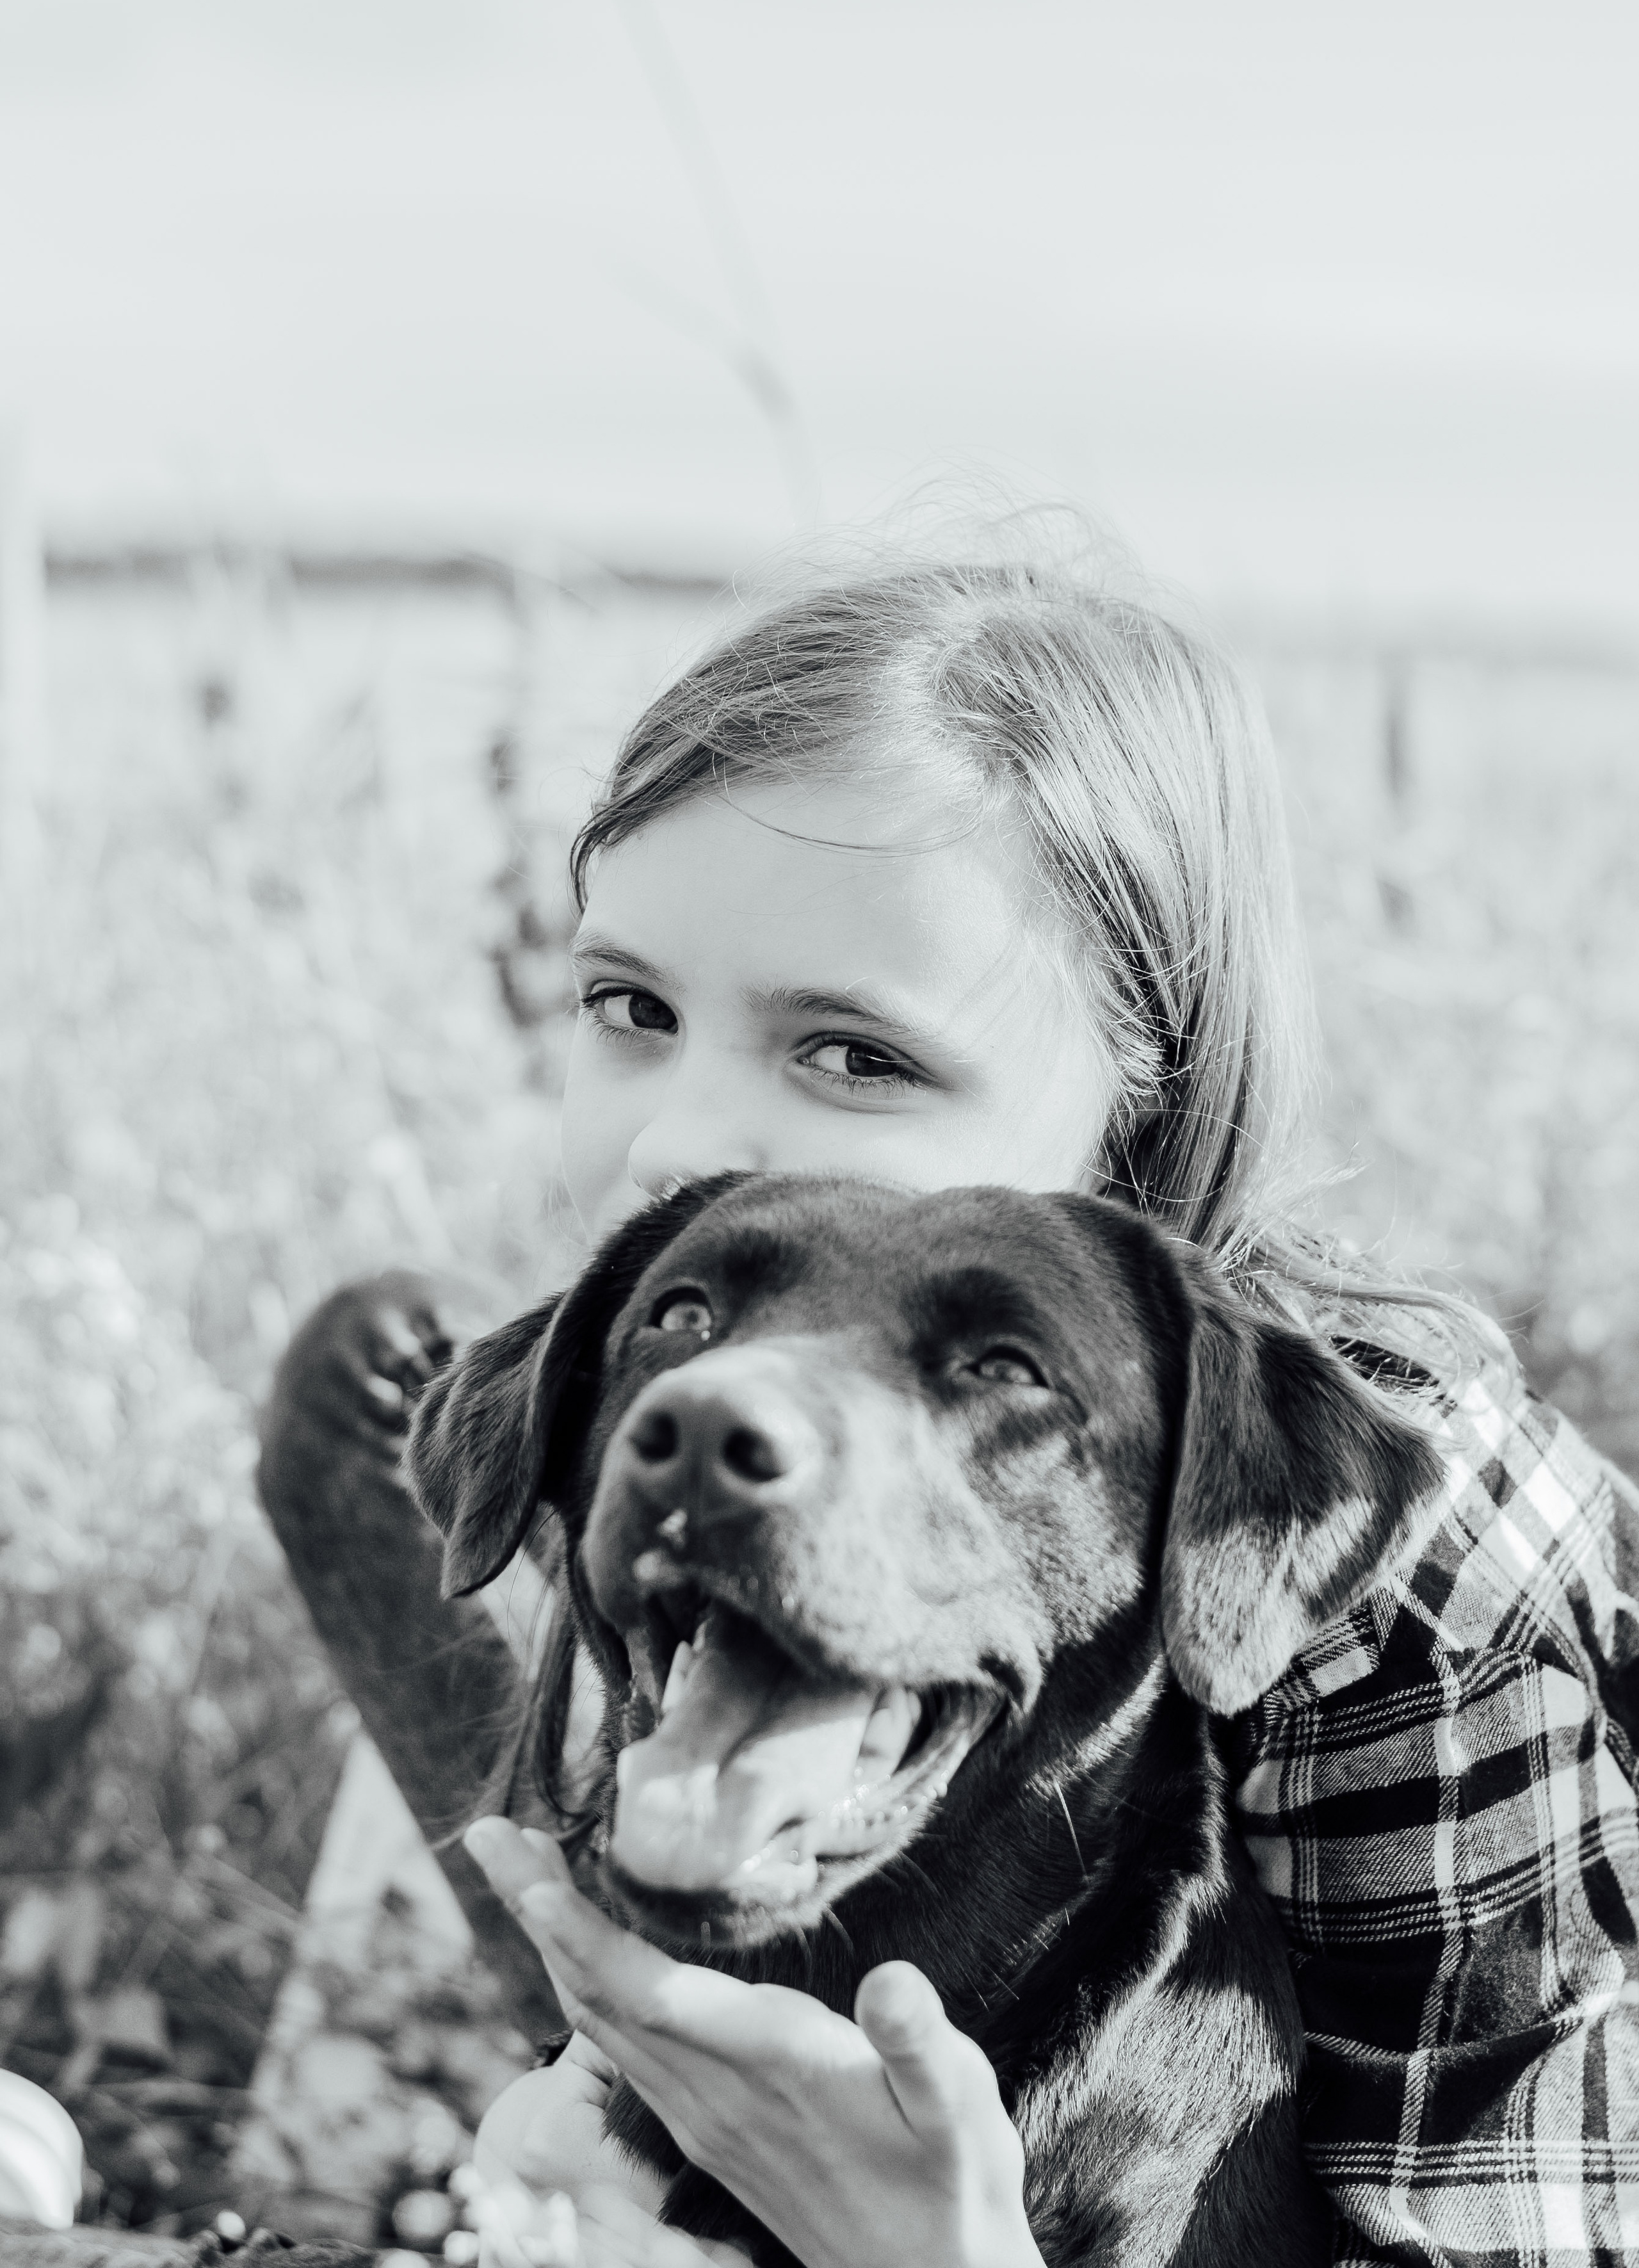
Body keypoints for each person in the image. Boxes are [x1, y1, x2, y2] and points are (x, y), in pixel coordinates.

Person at [268, 526, 1639, 2267]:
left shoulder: (1429, 1606)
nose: (681, 1134)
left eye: (855, 1052)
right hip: (841, 1873)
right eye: (630, 1004)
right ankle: (509, 2084)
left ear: (1135, 1133)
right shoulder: (706, 1366)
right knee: (384, 1372)